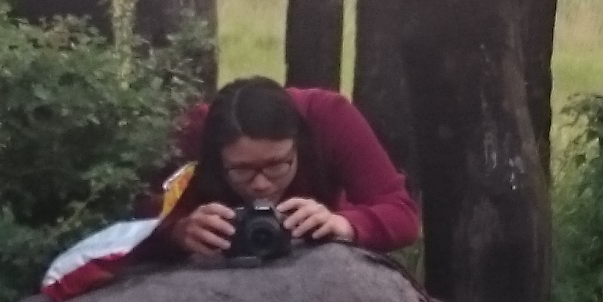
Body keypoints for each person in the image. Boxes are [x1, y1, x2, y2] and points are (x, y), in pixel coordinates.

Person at [146, 76, 420, 261]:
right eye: (242, 170)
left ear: (299, 143)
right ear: (216, 157)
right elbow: (138, 225)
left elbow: (402, 214)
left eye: (277, 165)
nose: (261, 184)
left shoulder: (328, 117)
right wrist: (177, 232)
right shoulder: (192, 133)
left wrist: (344, 224)